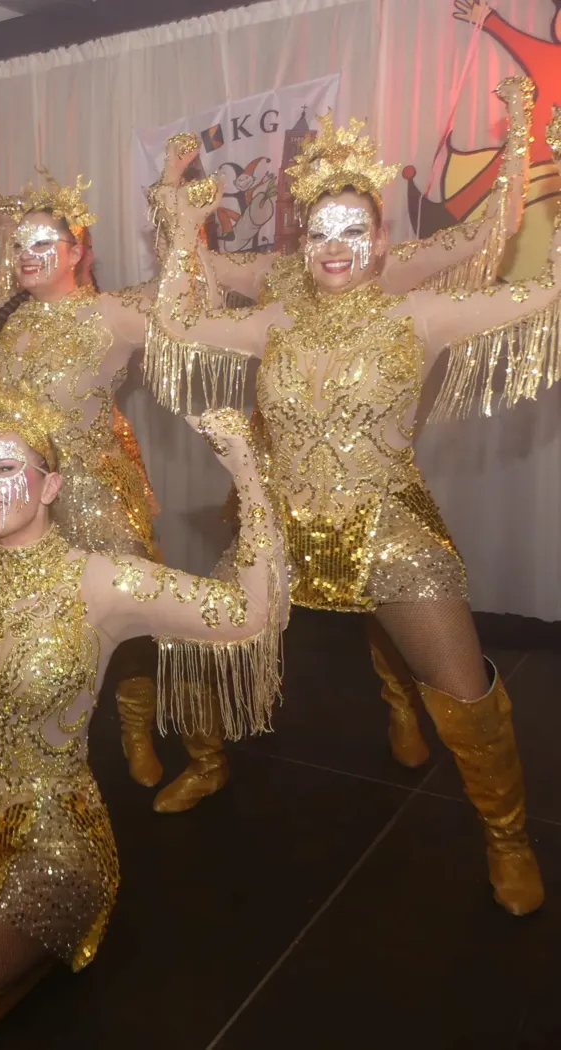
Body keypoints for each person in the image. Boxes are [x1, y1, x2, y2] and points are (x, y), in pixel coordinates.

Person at [150, 107, 561, 916]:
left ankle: (507, 837)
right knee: (198, 640)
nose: (334, 246)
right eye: (319, 232)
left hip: (385, 523)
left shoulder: (420, 314)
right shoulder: (276, 319)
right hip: (280, 526)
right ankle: (207, 762)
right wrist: (182, 229)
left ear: (379, 243)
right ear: (303, 244)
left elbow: (541, 293)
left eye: (352, 231)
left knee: (464, 691)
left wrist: (532, 159)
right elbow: (176, 322)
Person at [0, 380, 286, 1049]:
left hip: (50, 836)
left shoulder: (103, 581)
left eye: (6, 467)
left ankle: (58, 926)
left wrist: (249, 475)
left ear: (50, 487)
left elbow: (250, 614)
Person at [0, 175, 220, 810]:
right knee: (28, 622)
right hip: (23, 502)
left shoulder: (109, 314)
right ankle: (35, 742)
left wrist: (181, 219)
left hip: (94, 496)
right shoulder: (9, 319)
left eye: (43, 243)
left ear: (76, 250)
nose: (27, 254)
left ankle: (185, 750)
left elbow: (180, 310)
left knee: (144, 623)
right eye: (19, 245)